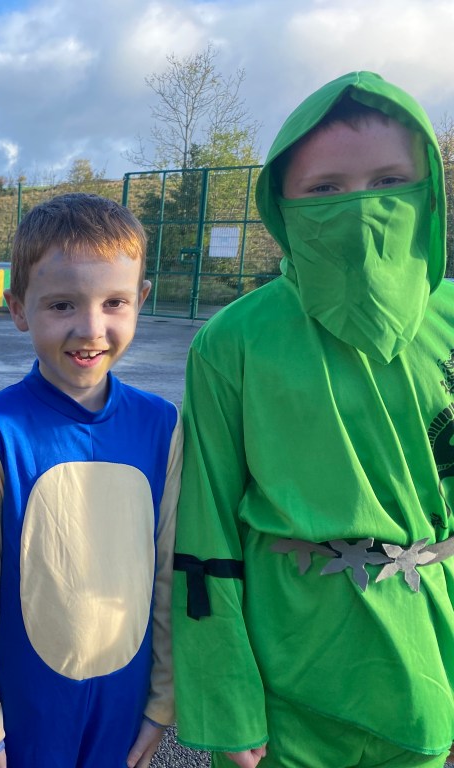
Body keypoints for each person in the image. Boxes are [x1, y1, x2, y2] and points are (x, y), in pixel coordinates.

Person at [173, 71, 454, 768]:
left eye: (389, 183)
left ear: (428, 191)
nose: (359, 210)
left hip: (427, 664)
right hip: (288, 681)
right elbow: (206, 526)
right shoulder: (233, 342)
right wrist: (227, 698)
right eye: (326, 189)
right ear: (282, 205)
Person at [0, 193, 180, 768]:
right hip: (28, 706)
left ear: (141, 300)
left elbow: (167, 572)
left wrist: (162, 701)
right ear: (19, 308)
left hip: (123, 702)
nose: (91, 328)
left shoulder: (163, 425)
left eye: (114, 303)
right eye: (62, 304)